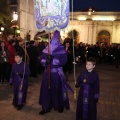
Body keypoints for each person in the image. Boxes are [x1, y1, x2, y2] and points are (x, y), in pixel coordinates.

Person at [39, 30, 73, 115]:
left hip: (57, 74)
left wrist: (53, 60)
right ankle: (46, 107)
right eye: (53, 39)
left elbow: (64, 61)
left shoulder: (62, 49)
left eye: (56, 40)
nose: (54, 41)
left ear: (59, 40)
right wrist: (46, 61)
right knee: (46, 90)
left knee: (57, 89)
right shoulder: (47, 49)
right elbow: (41, 60)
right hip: (47, 73)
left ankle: (59, 105)